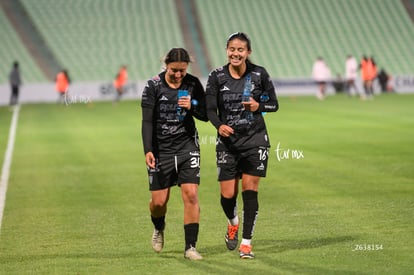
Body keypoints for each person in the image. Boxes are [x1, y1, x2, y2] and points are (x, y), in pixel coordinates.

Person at [205, 32, 279, 259]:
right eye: (232, 49)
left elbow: (274, 104)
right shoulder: (217, 76)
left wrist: (258, 106)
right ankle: (233, 222)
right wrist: (219, 126)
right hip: (228, 144)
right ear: (226, 50)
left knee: (250, 190)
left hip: (255, 140)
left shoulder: (259, 74)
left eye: (240, 50)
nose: (235, 53)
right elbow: (209, 110)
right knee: (227, 195)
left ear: (248, 52)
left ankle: (246, 243)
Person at [141, 48, 208, 260]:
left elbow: (206, 114)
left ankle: (190, 247)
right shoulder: (153, 86)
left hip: (187, 145)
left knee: (191, 194)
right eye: (174, 70)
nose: (178, 75)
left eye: (182, 70)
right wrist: (148, 149)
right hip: (162, 149)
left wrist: (193, 105)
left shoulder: (193, 84)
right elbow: (147, 121)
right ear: (166, 65)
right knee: (159, 203)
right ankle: (159, 228)